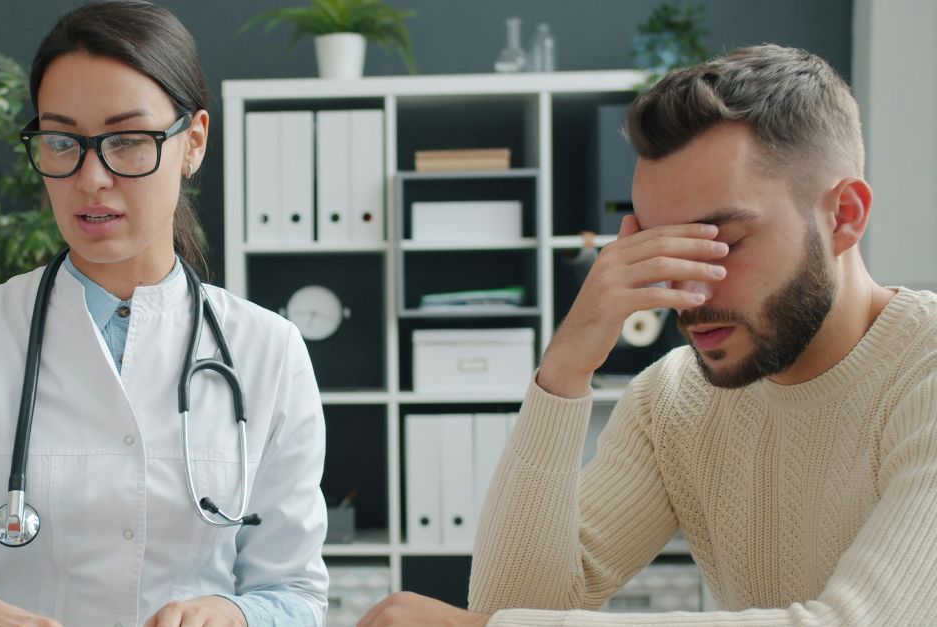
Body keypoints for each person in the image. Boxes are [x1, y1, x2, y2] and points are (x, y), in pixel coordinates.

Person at [359, 44, 937, 626]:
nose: (687, 289)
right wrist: (565, 369)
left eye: (724, 244)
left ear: (846, 215)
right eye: (658, 246)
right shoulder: (673, 402)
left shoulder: (925, 371)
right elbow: (520, 607)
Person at [0, 3, 328, 626]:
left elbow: (297, 595)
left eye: (128, 141)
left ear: (193, 142)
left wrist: (237, 617)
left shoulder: (269, 350)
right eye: (62, 141)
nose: (92, 177)